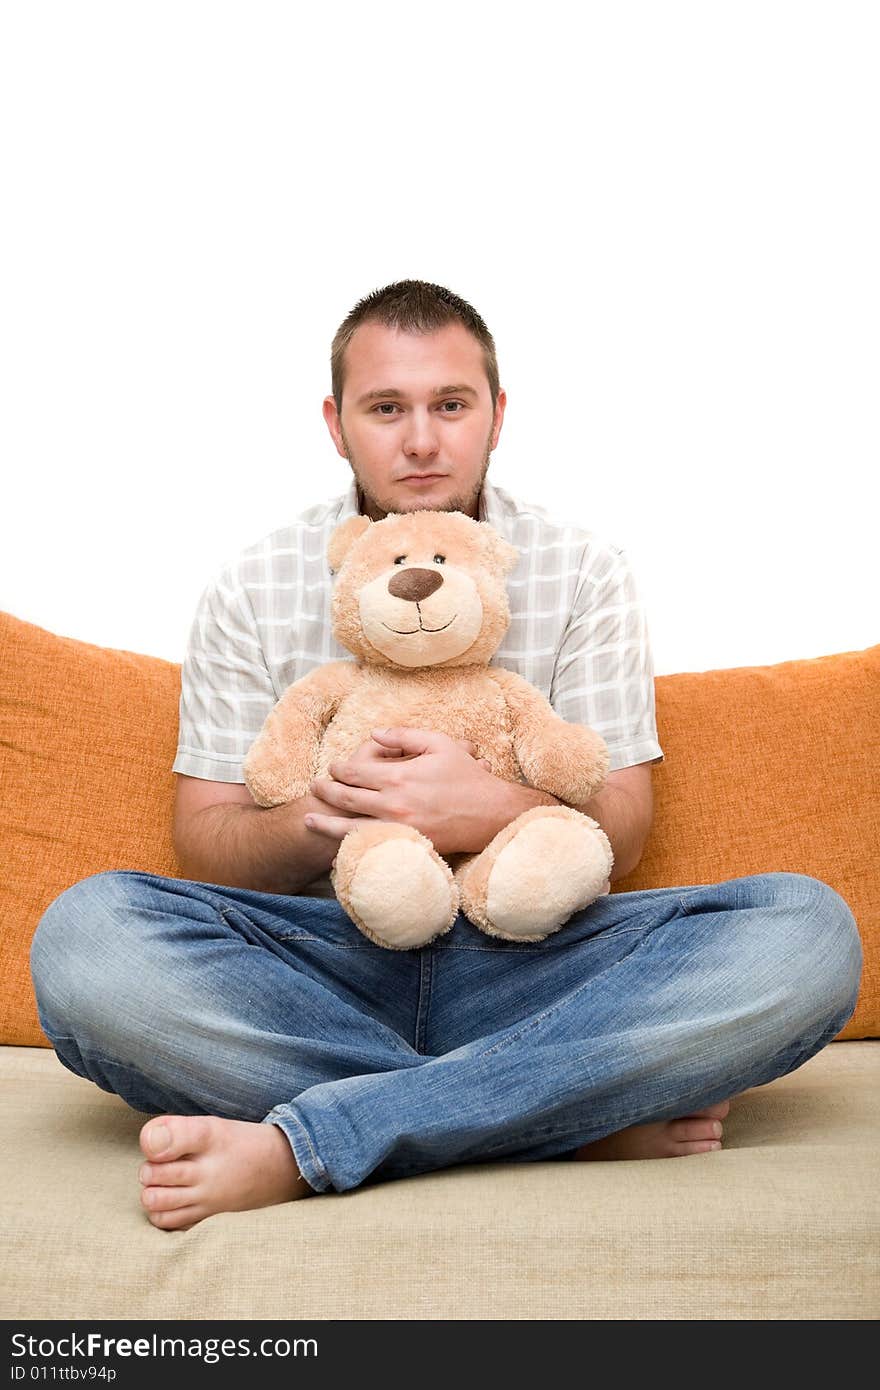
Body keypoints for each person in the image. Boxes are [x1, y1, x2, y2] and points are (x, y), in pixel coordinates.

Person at [30, 279, 862, 1231]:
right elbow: (206, 840)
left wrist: (491, 809)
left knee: (807, 931)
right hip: (319, 966)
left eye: (450, 406)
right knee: (86, 938)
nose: (421, 441)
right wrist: (325, 815)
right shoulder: (253, 584)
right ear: (337, 424)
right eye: (387, 409)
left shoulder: (581, 568)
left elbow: (624, 828)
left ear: (497, 417)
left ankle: (321, 1138)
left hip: (540, 963)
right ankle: (561, 1107)